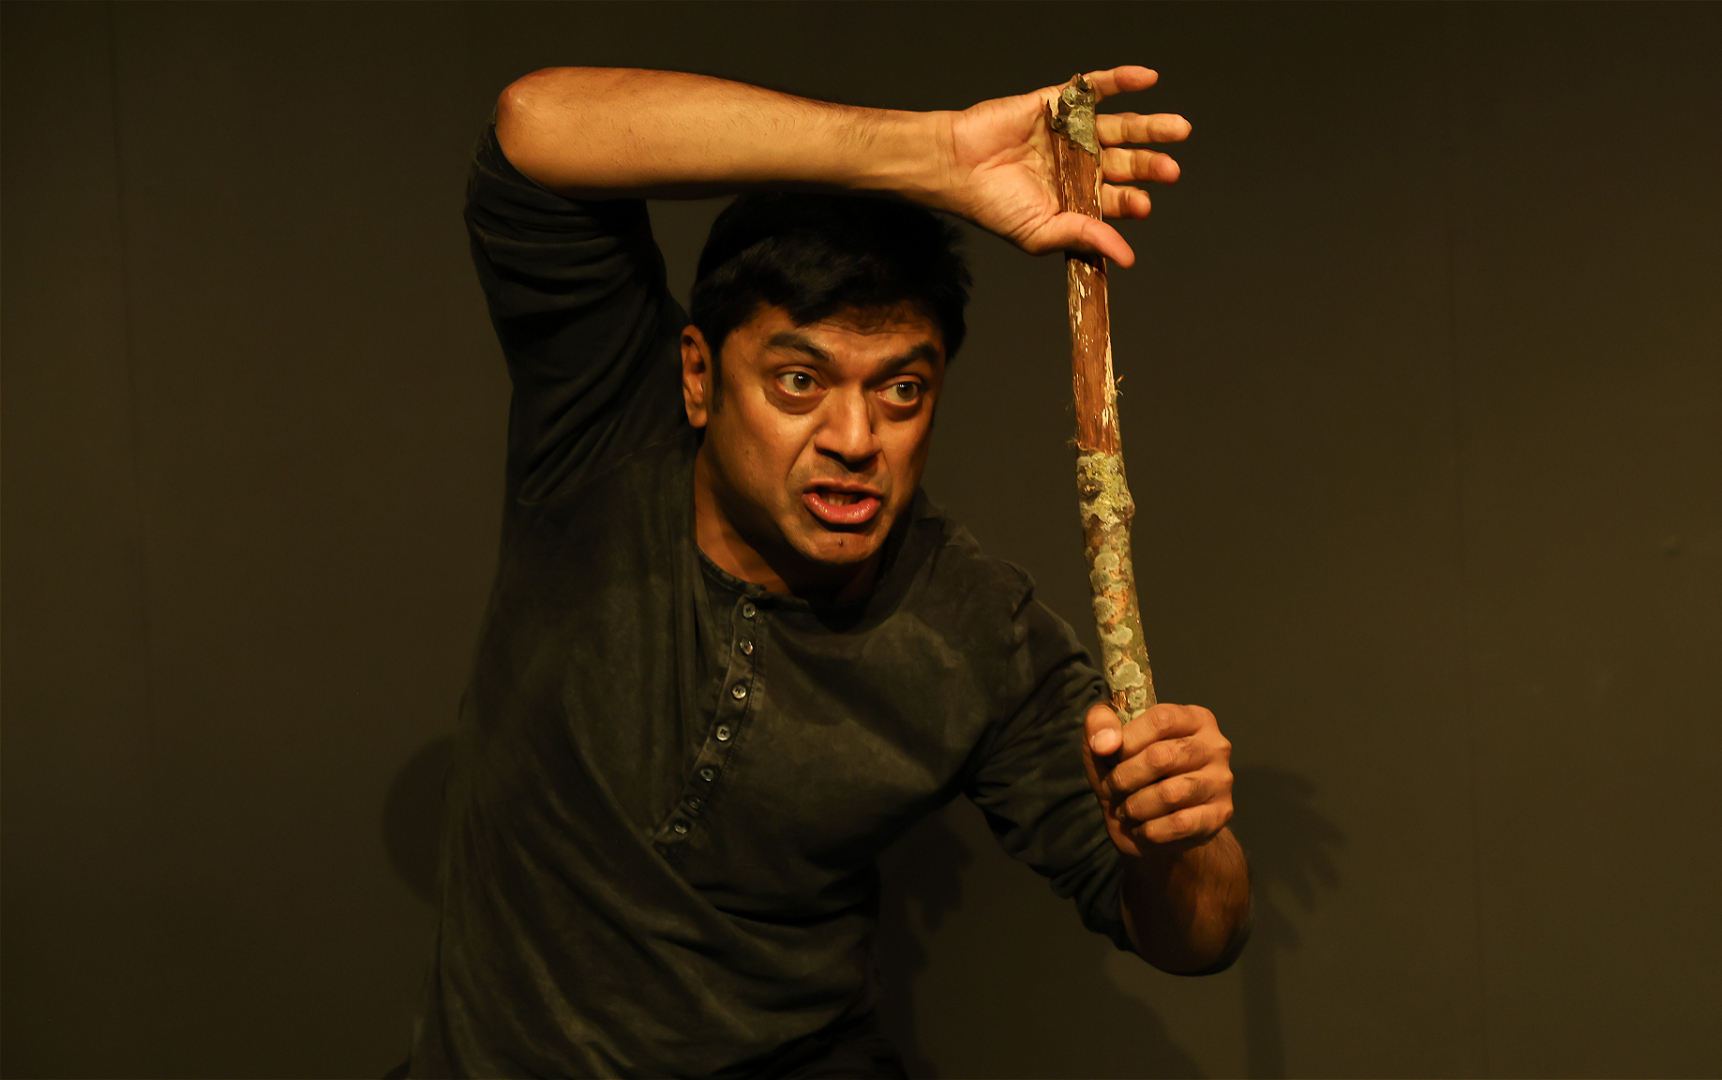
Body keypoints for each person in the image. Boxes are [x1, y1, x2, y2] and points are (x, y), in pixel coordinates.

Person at [409, 64, 1249, 1079]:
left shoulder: (975, 627)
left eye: (902, 391)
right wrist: (933, 155)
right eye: (800, 381)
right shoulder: (606, 438)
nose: (855, 439)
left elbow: (1196, 936)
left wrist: (1177, 840)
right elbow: (537, 125)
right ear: (698, 376)